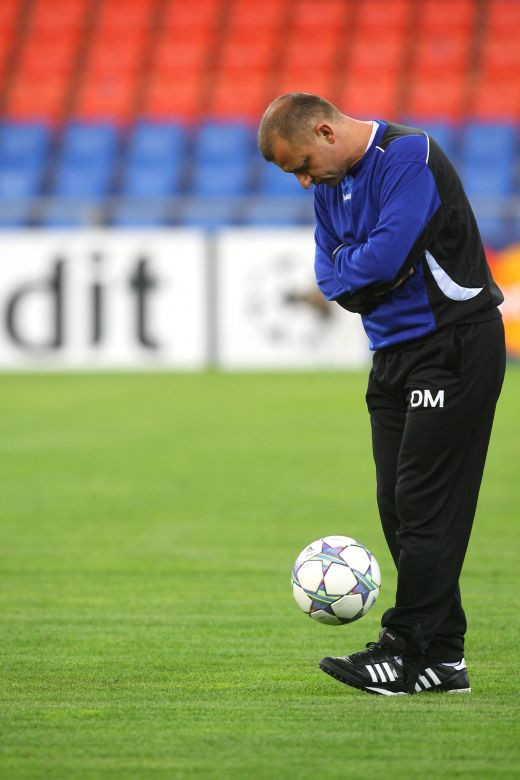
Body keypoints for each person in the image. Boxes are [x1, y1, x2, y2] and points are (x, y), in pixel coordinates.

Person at [258, 93, 506, 696]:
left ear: (324, 130)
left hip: (452, 348)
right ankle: (444, 660)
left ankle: (404, 649)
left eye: (300, 165)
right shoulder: (328, 186)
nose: (301, 181)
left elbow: (379, 261)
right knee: (397, 505)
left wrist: (361, 269)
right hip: (392, 358)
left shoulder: (408, 156)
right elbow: (332, 275)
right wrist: (361, 270)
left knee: (424, 505)